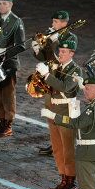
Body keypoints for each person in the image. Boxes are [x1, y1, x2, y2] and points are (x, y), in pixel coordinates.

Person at [36, 40, 82, 189]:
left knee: (68, 148)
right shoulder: (58, 67)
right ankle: (63, 179)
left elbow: (64, 87)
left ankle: (71, 182)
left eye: (64, 51)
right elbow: (51, 87)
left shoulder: (76, 70)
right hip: (54, 109)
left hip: (66, 110)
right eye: (60, 51)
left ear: (72, 53)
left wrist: (47, 74)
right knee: (57, 148)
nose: (60, 54)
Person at [32, 10, 78, 156]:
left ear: (64, 23)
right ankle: (55, 144)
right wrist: (36, 48)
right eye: (53, 22)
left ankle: (66, 146)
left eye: (56, 22)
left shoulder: (71, 37)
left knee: (63, 114)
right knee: (50, 109)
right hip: (50, 74)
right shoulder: (50, 35)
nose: (53, 24)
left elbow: (63, 57)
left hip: (62, 75)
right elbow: (43, 57)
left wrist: (54, 40)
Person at [0, 0, 25, 138]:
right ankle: (1, 122)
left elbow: (21, 45)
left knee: (8, 95)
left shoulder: (16, 21)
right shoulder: (0, 20)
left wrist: (5, 53)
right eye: (0, 3)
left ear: (11, 5)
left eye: (5, 3)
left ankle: (8, 125)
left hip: (9, 62)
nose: (2, 6)